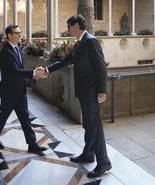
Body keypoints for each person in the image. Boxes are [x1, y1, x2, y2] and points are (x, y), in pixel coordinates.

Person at [40, 15, 111, 178]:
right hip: (84, 92)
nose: (68, 30)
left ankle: (104, 163)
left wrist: (102, 90)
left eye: (69, 26)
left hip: (93, 92)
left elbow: (101, 67)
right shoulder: (79, 43)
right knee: (87, 125)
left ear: (77, 25)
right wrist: (47, 70)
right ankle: (88, 154)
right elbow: (66, 60)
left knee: (95, 128)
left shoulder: (91, 41)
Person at [0, 24, 48, 153]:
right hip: (9, 91)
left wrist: (34, 75)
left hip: (20, 90)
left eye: (20, 32)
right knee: (3, 116)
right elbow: (15, 71)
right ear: (9, 35)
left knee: (25, 118)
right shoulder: (6, 52)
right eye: (17, 33)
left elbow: (20, 70)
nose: (20, 34)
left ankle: (32, 144)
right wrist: (33, 72)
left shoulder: (18, 49)